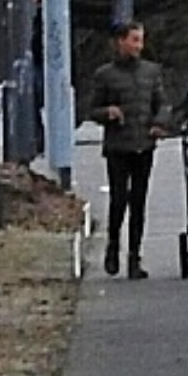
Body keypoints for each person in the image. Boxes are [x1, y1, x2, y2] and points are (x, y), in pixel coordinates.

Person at [76, 23, 170, 278]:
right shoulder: (105, 74)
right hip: (118, 146)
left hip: (144, 145)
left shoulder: (151, 72)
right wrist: (107, 112)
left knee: (139, 201)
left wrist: (159, 123)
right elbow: (92, 109)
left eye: (141, 40)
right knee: (119, 199)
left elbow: (162, 103)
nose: (139, 46)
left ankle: (135, 257)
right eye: (134, 40)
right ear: (120, 42)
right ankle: (113, 245)